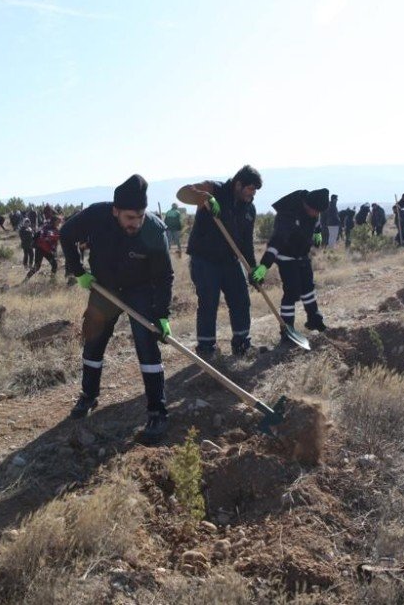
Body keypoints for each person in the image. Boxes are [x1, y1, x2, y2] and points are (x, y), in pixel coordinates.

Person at [60, 174, 174, 440]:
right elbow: (66, 234)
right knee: (93, 341)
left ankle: (157, 412)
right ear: (115, 211)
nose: (135, 223)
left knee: (147, 346)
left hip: (140, 289)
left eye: (140, 217)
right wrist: (79, 272)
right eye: (129, 218)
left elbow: (164, 276)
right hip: (105, 288)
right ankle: (88, 396)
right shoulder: (97, 216)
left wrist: (162, 315)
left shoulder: (155, 232)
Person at [177, 165, 261, 357]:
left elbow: (246, 243)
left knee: (241, 299)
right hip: (205, 259)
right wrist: (206, 197)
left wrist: (253, 269)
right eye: (250, 189)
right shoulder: (215, 188)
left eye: (255, 191)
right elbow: (183, 193)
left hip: (230, 260)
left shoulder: (249, 208)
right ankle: (206, 348)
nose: (252, 194)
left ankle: (242, 343)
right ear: (239, 184)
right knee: (209, 302)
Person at [251, 189, 330, 339]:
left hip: (302, 255)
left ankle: (314, 319)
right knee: (292, 292)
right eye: (315, 211)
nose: (316, 215)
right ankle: (287, 329)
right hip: (286, 257)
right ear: (307, 205)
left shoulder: (313, 210)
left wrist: (317, 231)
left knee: (308, 288)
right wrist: (264, 265)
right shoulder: (287, 215)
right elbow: (276, 242)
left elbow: (316, 220)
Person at [25, 216, 62, 280]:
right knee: (38, 267)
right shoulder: (49, 228)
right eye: (58, 221)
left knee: (53, 265)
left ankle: (52, 281)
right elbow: (49, 237)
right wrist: (58, 236)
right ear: (54, 221)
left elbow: (54, 243)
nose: (59, 223)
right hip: (42, 249)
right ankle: (26, 279)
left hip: (44, 249)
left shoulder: (50, 227)